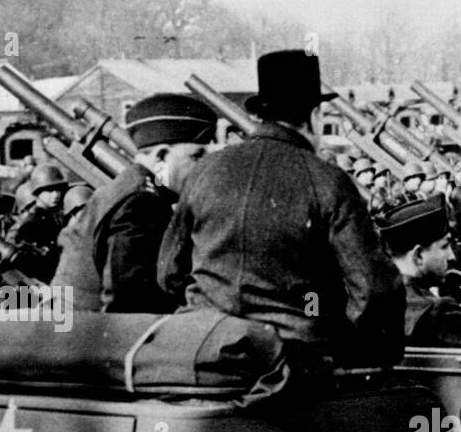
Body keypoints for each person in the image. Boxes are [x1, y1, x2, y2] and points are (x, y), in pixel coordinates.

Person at [158, 49, 404, 372]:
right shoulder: (328, 180)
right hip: (292, 364)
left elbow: (169, 274)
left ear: (262, 113)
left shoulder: (205, 171)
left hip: (204, 351)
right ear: (315, 116)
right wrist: (342, 344)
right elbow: (374, 290)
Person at [52, 94, 215, 314]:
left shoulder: (123, 189)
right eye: (196, 156)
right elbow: (131, 305)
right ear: (161, 157)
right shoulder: (143, 205)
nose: (205, 167)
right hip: (94, 338)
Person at [376, 194, 461, 346]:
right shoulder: (439, 311)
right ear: (418, 255)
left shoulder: (371, 305)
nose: (452, 256)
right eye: (444, 246)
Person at [9, 162, 69, 279]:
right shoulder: (30, 223)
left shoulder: (54, 215)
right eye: (49, 190)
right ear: (37, 192)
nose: (56, 195)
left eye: (58, 189)